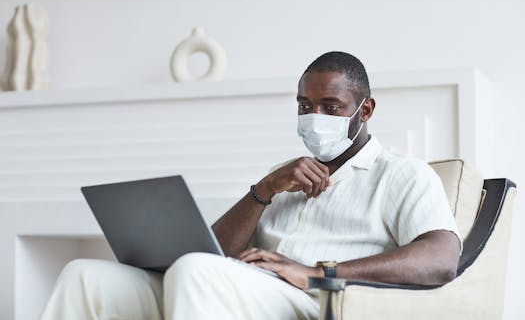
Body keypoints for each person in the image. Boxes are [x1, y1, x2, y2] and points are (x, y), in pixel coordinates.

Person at [41, 52, 461, 320]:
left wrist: (317, 273)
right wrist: (264, 188)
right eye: (304, 106)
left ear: (365, 109)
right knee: (84, 275)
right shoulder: (285, 174)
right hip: (246, 291)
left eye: (331, 107)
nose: (314, 116)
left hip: (317, 302)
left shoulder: (402, 174)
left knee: (196, 271)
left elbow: (441, 259)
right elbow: (213, 254)